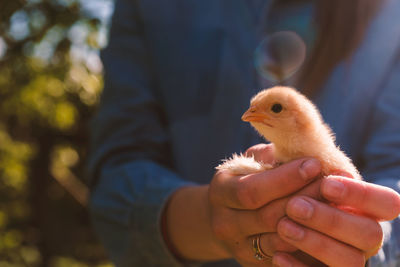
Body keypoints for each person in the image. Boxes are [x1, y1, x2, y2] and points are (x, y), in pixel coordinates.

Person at [87, 0, 400, 266]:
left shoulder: (388, 15)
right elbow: (115, 178)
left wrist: (367, 239)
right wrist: (209, 219)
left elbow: (394, 170)